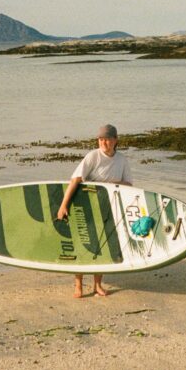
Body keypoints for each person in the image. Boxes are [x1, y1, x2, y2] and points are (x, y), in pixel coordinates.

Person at [56, 123, 132, 298]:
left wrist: (113, 184)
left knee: (101, 248)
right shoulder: (92, 157)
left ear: (115, 140)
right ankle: (78, 285)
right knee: (82, 244)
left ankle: (97, 285)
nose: (103, 143)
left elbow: (129, 184)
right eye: (101, 139)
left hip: (108, 207)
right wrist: (63, 205)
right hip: (86, 206)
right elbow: (75, 180)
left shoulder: (122, 160)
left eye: (107, 139)